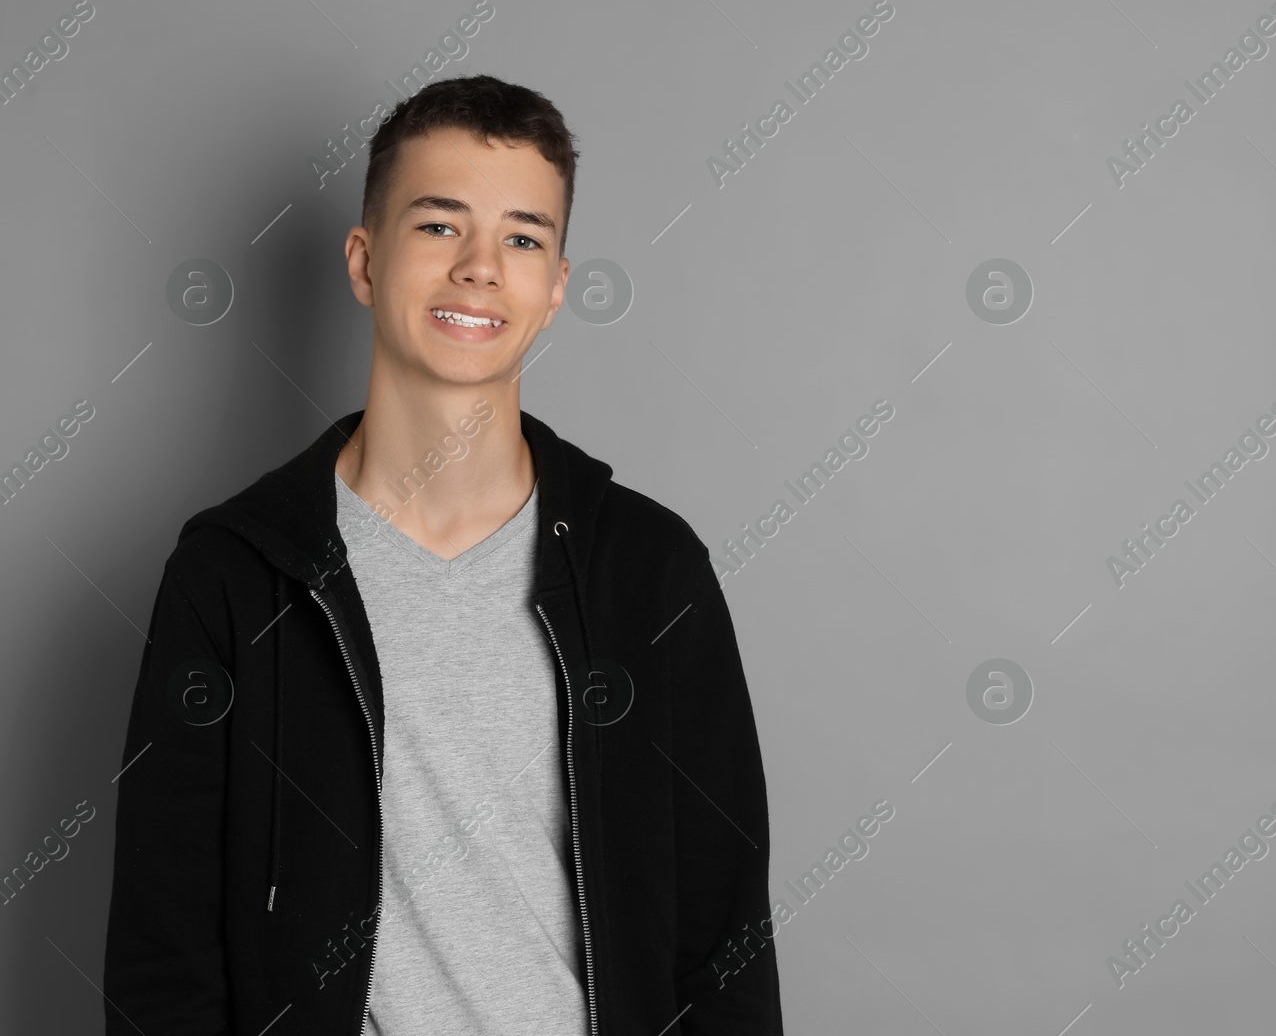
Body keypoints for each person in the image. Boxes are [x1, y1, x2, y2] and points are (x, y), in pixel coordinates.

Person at [103, 74, 783, 1035]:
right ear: (364, 261)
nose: (479, 267)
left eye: (522, 237)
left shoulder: (653, 572)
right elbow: (162, 951)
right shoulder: (232, 574)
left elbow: (725, 944)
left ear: (555, 289)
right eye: (437, 226)